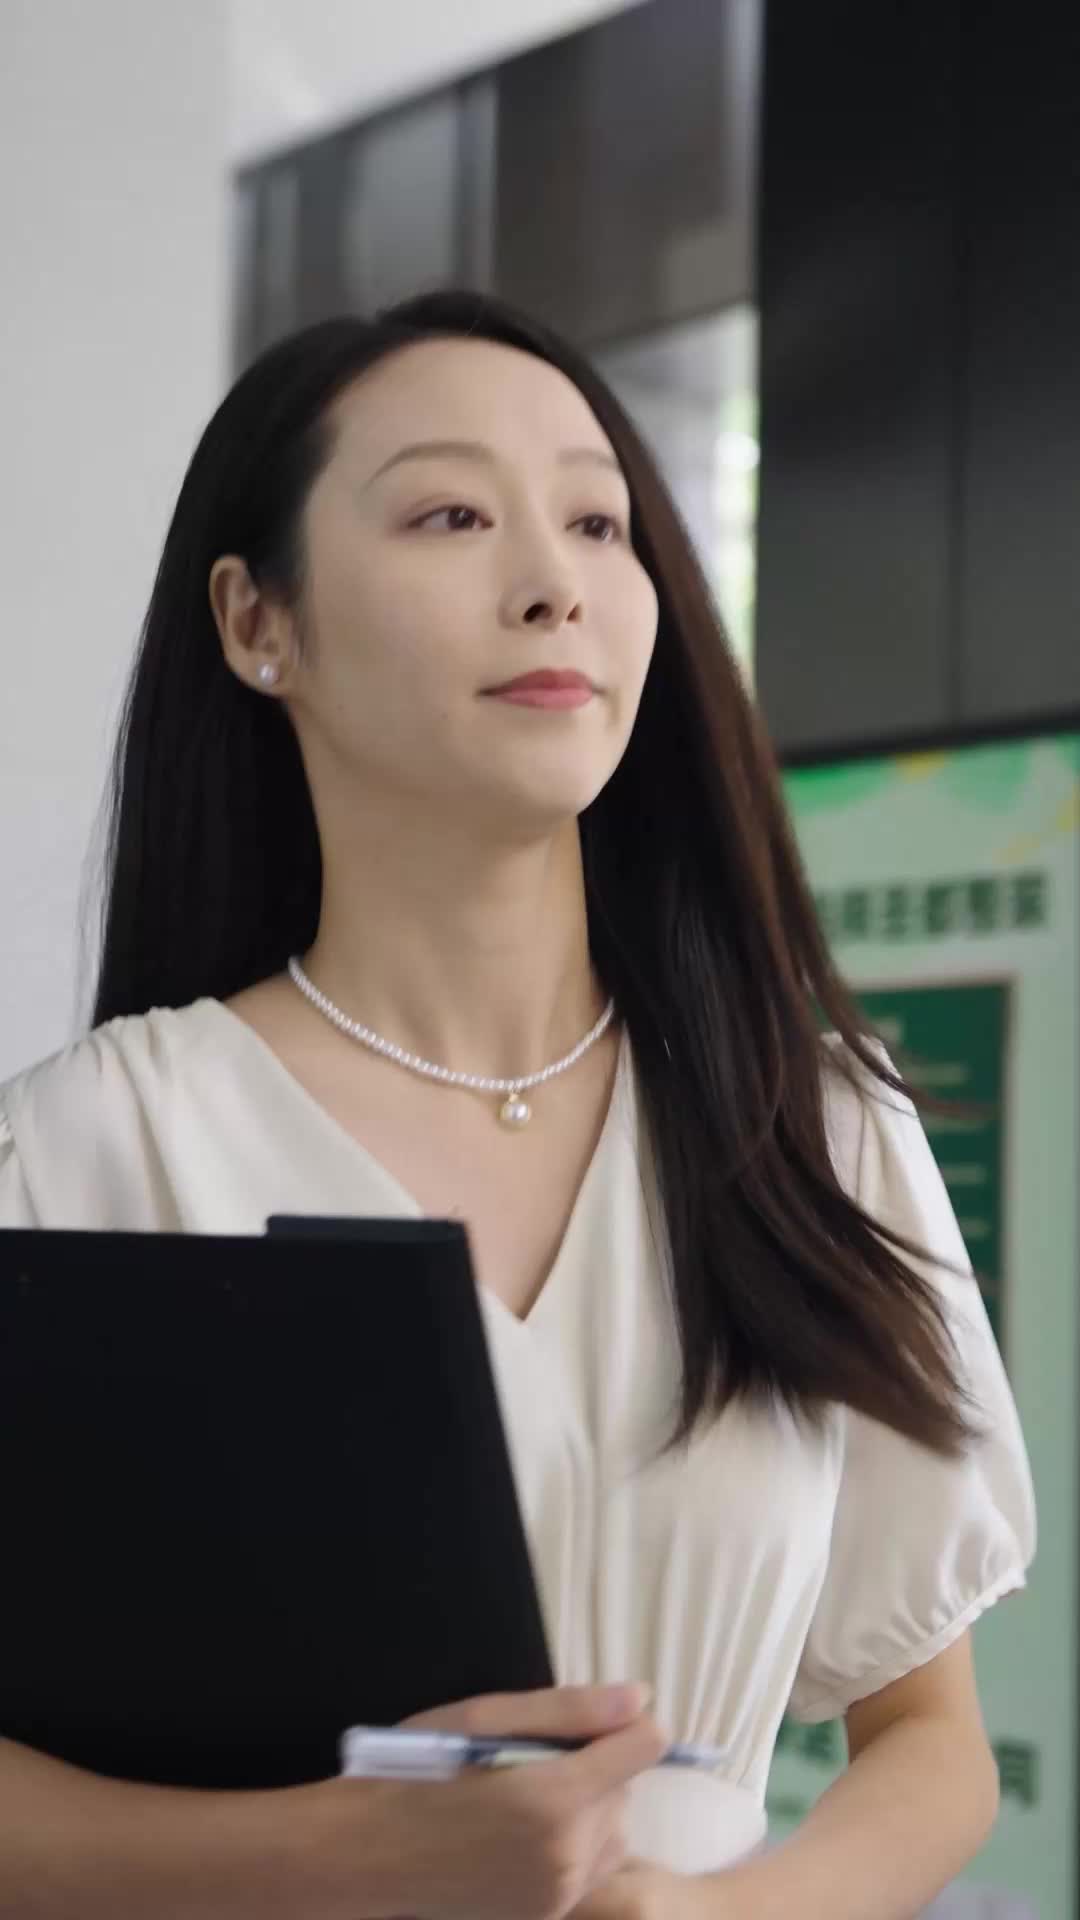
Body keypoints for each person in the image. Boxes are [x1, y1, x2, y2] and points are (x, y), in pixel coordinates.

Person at [0, 290, 1033, 1920]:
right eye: (452, 515)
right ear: (259, 621)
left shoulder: (818, 1127)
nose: (556, 581)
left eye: (599, 522)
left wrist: (718, 1915)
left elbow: (931, 1738)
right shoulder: (89, 1150)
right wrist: (346, 1858)